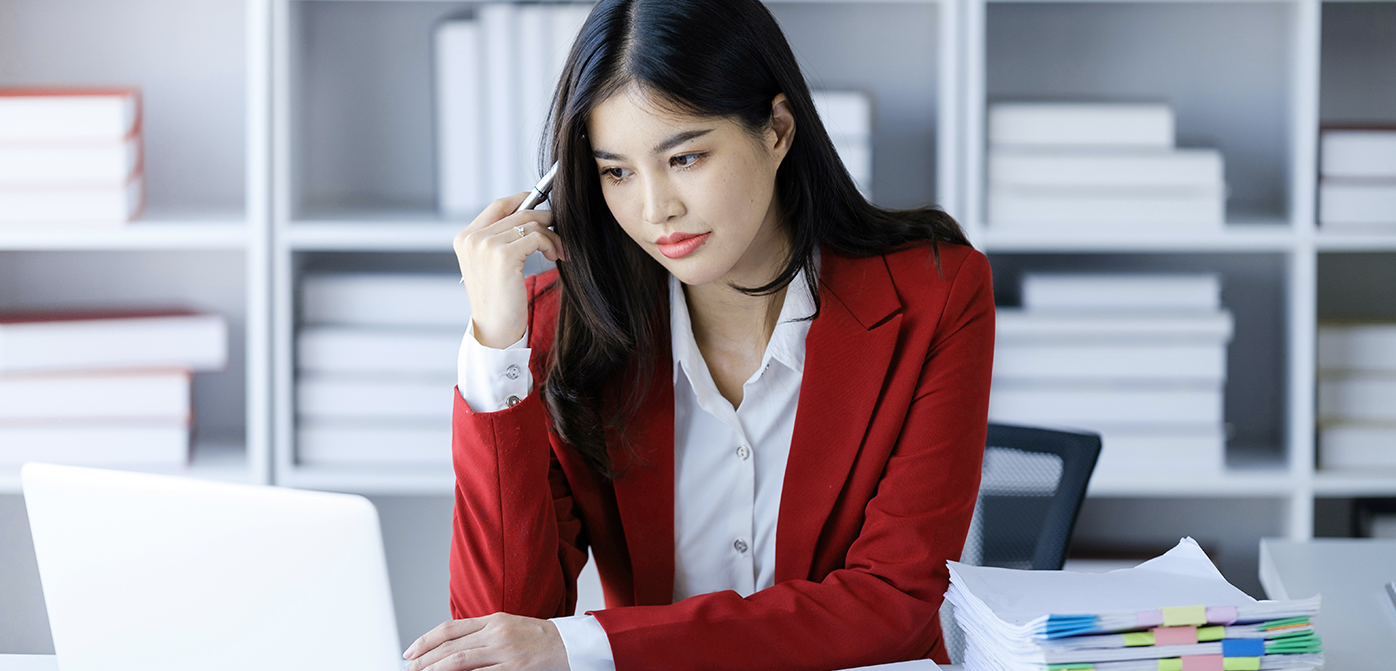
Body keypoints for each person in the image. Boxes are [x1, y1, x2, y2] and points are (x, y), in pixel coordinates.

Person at [403, 1, 994, 669]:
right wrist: (493, 349)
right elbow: (501, 627)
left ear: (775, 129)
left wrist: (590, 644)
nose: (657, 209)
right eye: (617, 172)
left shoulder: (936, 294)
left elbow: (891, 602)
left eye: (683, 157)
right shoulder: (559, 327)